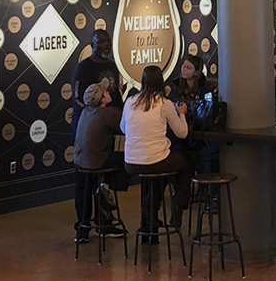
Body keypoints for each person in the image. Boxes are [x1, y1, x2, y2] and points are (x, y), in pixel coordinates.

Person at [122, 65, 192, 239]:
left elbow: (123, 128)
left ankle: (149, 226)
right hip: (156, 160)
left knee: (155, 177)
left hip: (131, 162)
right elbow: (182, 133)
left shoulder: (130, 101)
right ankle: (178, 204)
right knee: (187, 162)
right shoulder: (164, 103)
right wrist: (181, 113)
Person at [73, 79, 128, 243]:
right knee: (128, 160)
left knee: (84, 188)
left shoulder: (85, 112)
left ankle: (83, 230)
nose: (108, 92)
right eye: (105, 92)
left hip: (80, 162)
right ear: (102, 99)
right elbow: (126, 124)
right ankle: (105, 187)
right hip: (98, 161)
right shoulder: (106, 113)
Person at [72, 29, 123, 132]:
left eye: (108, 41)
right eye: (101, 42)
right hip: (88, 126)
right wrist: (96, 112)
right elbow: (78, 99)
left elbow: (116, 95)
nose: (106, 44)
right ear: (92, 45)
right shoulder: (83, 68)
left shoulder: (113, 66)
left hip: (109, 127)